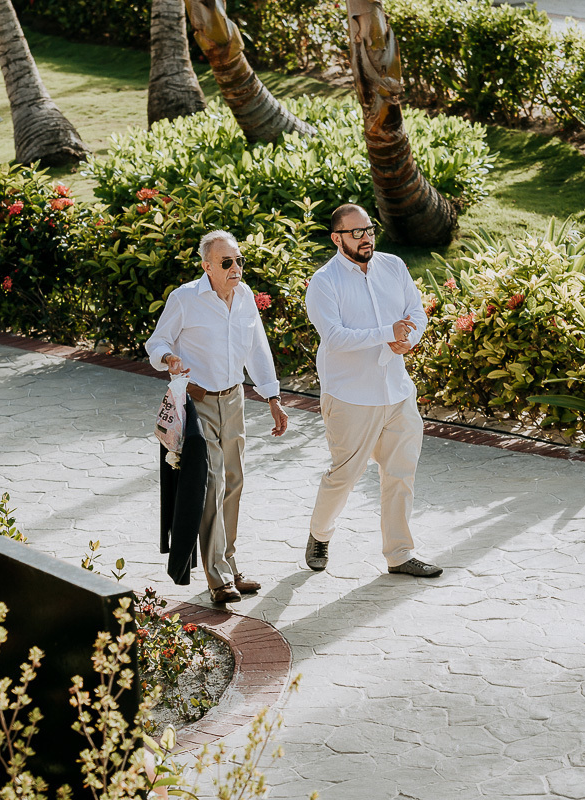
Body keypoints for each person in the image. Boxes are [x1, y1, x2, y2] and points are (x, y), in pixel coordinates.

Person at [145, 230, 289, 603]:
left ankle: (229, 562)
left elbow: (258, 348)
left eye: (239, 260)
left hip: (235, 399)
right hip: (199, 401)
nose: (236, 268)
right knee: (210, 484)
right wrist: (168, 359)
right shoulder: (185, 299)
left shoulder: (243, 298)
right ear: (207, 266)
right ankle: (217, 577)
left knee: (234, 481)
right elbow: (156, 342)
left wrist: (272, 396)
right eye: (227, 262)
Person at [303, 203, 442, 578]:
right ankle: (320, 534)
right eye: (356, 233)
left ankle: (399, 554)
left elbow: (416, 311)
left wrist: (409, 339)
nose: (366, 238)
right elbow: (334, 337)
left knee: (400, 474)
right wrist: (388, 334)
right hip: (350, 396)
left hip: (397, 391)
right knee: (344, 476)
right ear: (337, 238)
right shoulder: (324, 282)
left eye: (369, 230)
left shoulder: (393, 266)